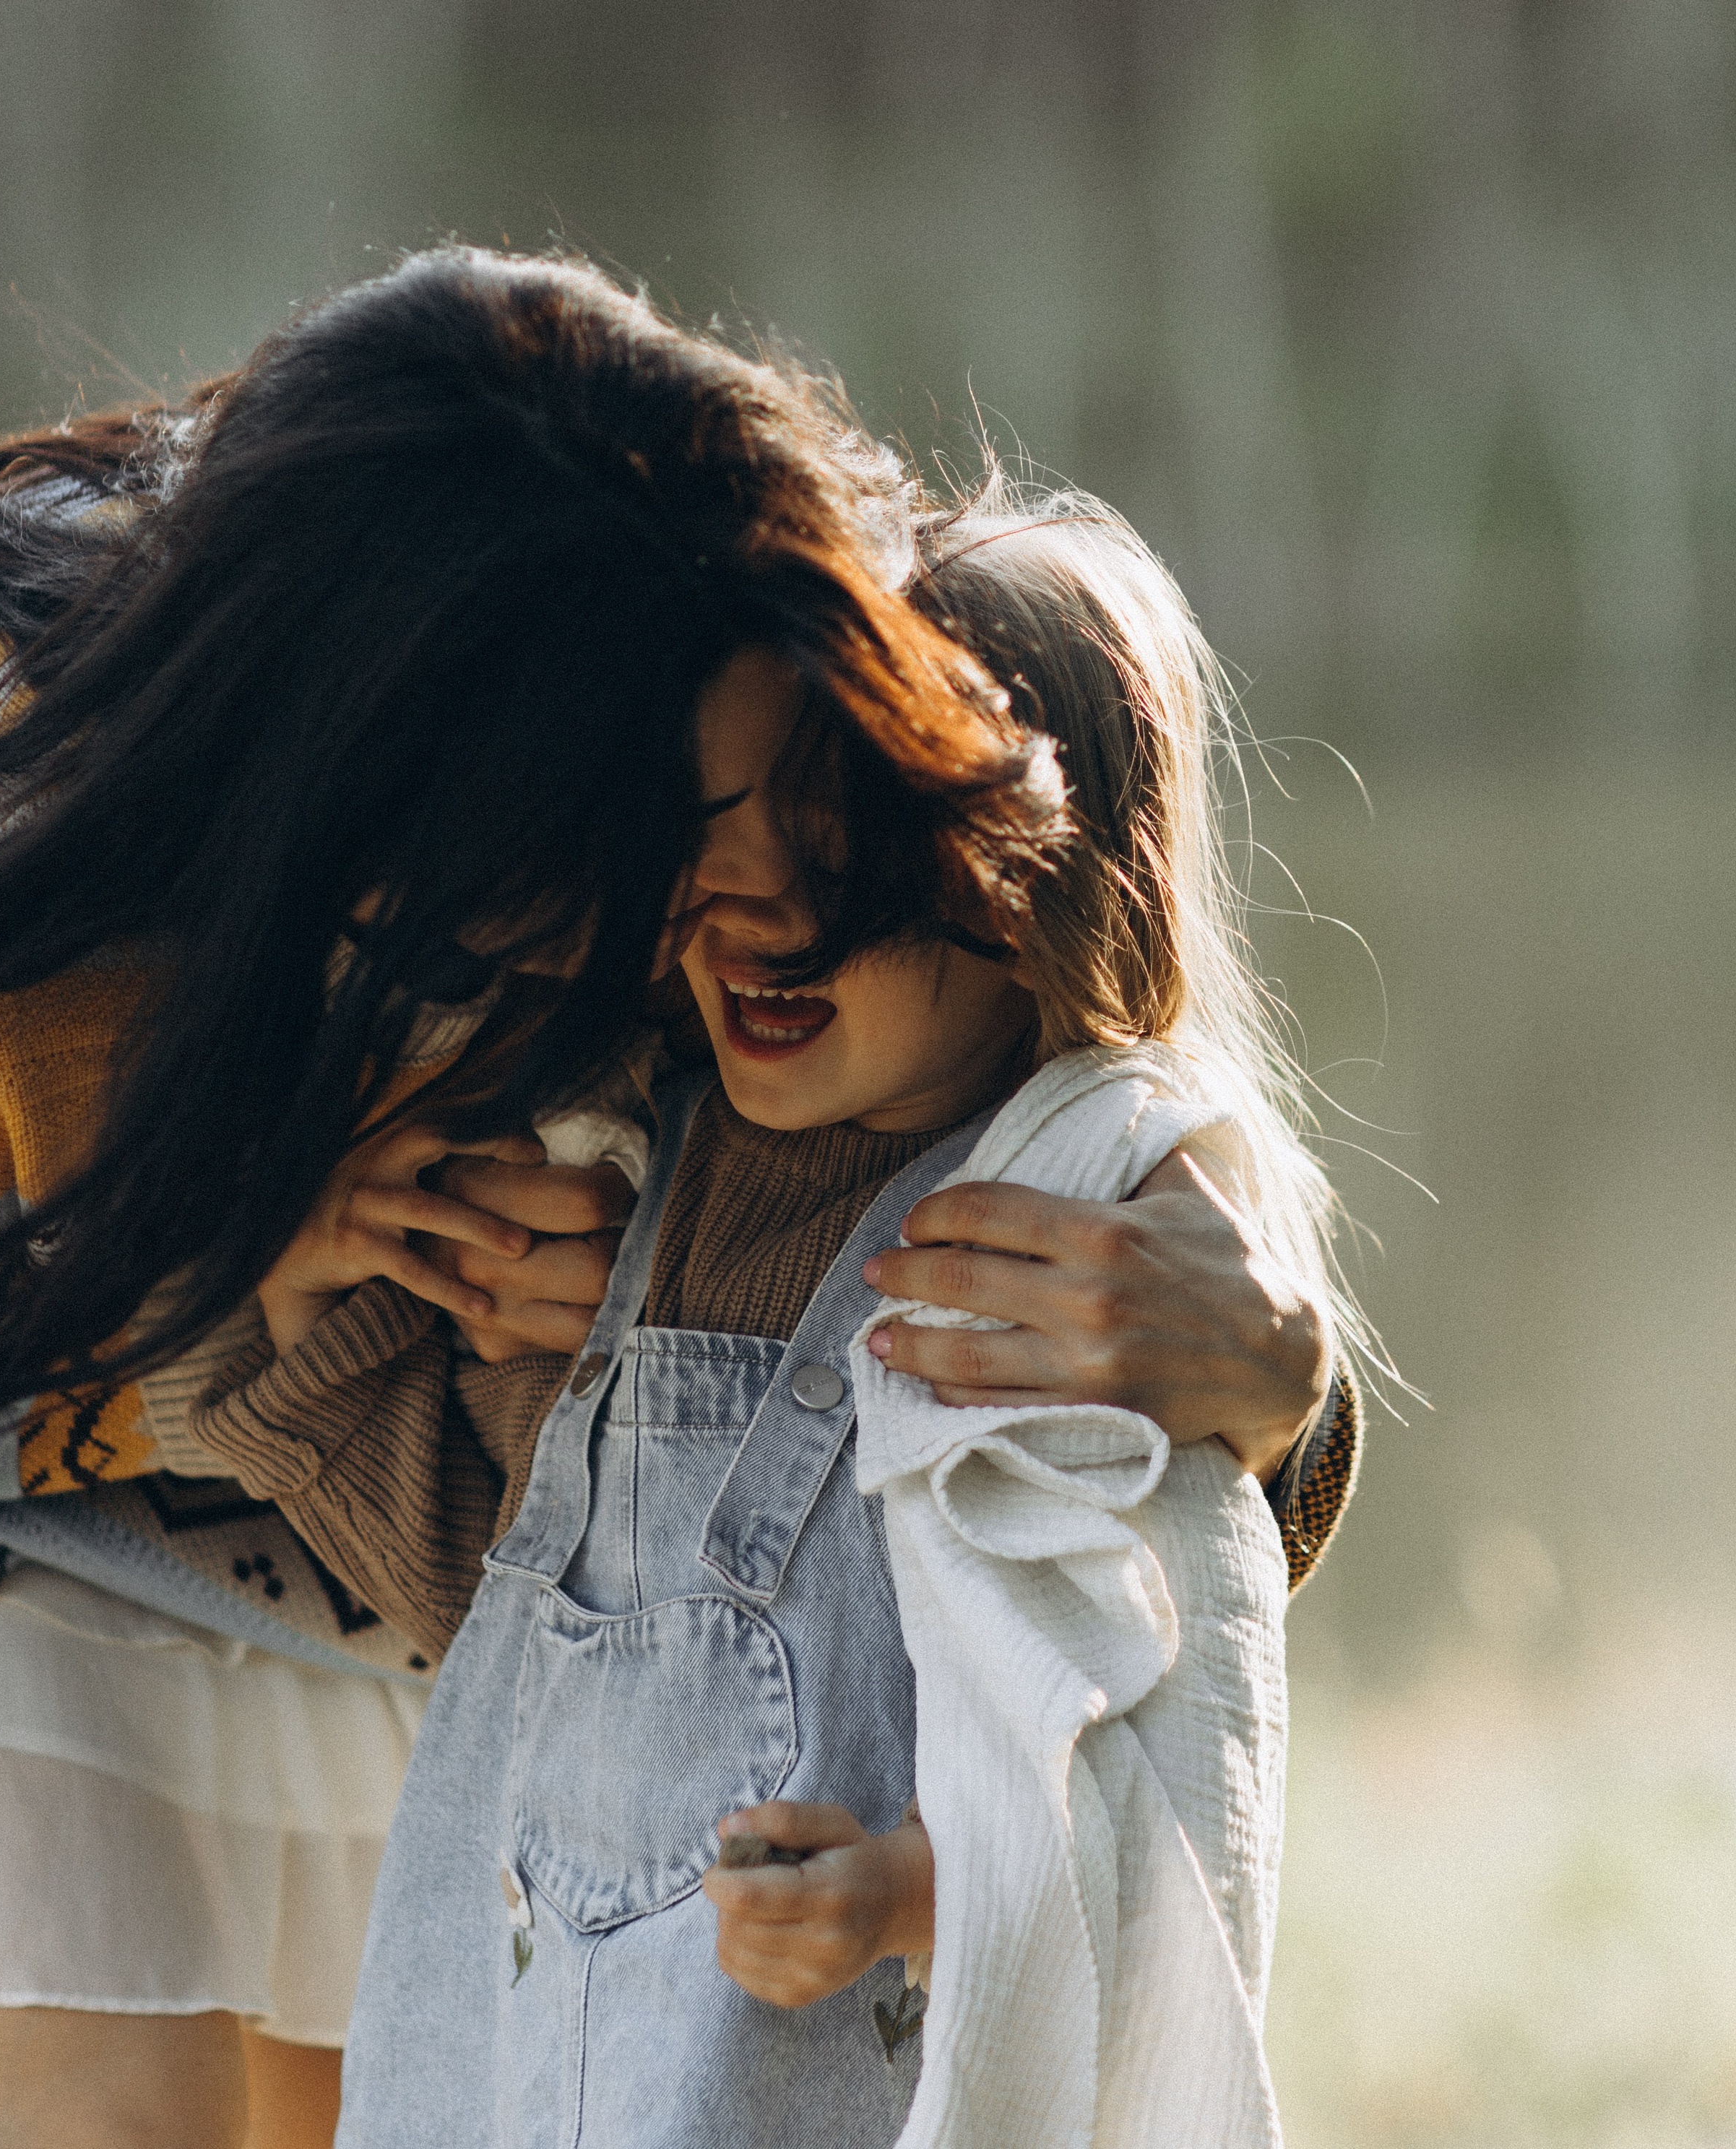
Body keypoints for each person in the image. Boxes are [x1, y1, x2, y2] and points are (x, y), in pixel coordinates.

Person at [0, 253, 1336, 2149]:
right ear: (400, 813)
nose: (730, 898)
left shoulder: (692, 588)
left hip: (421, 1646)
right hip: (10, 1532)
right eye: (644, 831)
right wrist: (232, 1303)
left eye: (778, 816)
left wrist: (1269, 1365)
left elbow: (1076, 1025)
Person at [188, 475, 1365, 2144]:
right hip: (539, 2083)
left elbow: (1172, 1739)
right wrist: (319, 1310)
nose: (738, 897)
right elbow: (531, 1629)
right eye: (695, 820)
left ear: (1048, 877)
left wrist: (919, 1890)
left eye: (836, 838)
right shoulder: (630, 1166)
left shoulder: (1073, 1212)